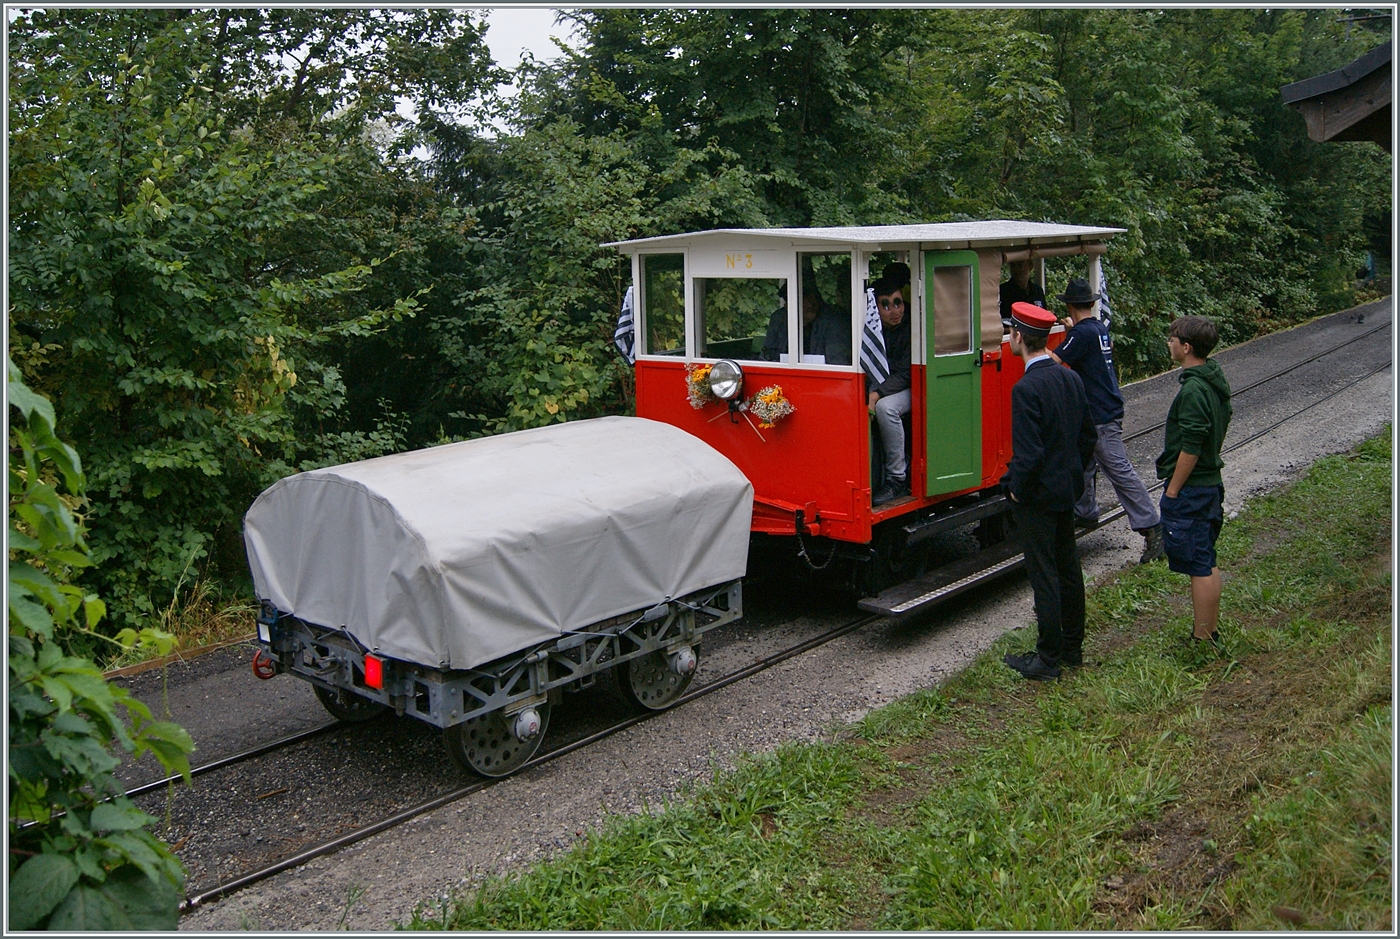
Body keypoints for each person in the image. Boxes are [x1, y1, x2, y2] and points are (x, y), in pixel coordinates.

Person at [1000, 301, 1099, 680]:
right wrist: (1073, 473)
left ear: (1020, 337)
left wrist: (1017, 493)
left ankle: (1048, 658)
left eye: (1011, 332)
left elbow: (1028, 455)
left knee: (1044, 574)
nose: (1010, 337)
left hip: (1038, 496)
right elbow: (1087, 435)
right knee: (1069, 569)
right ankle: (1072, 648)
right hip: (1065, 489)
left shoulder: (1026, 389)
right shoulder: (1070, 378)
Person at [1049, 277, 1164, 563]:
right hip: (1100, 411)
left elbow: (1052, 359)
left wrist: (1030, 345)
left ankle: (1153, 527)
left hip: (1098, 415)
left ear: (1070, 306)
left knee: (1118, 471)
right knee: (1083, 461)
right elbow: (1082, 343)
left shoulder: (1082, 334)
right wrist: (1071, 331)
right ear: (1090, 303)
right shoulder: (1097, 328)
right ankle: (1085, 511)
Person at [1156, 315, 1233, 644]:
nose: (1169, 343)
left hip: (1193, 488)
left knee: (1199, 563)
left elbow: (1191, 446)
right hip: (1210, 484)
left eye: (1173, 339)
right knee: (1206, 559)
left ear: (1186, 348)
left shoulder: (1193, 391)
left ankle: (1203, 638)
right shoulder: (1213, 380)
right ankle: (1209, 631)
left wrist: (1173, 489)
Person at [869, 275, 912, 505]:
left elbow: (906, 374)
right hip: (882, 386)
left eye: (898, 302)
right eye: (885, 305)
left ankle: (897, 477)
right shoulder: (870, 330)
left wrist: (876, 394)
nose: (895, 310)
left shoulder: (910, 328)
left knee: (886, 409)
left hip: (917, 389)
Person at [1000, 258, 1045, 329]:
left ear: (1030, 266)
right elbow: (999, 325)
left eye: (1020, 265)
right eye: (1012, 265)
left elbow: (1044, 317)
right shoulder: (1003, 291)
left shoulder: (1037, 291)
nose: (1016, 269)